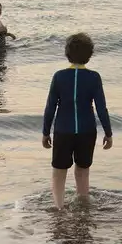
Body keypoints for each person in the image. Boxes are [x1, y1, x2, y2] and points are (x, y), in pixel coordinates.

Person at [41, 32, 113, 208]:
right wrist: (108, 133)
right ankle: (83, 205)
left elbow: (50, 107)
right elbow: (101, 108)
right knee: (82, 171)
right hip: (87, 131)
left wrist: (45, 132)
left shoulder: (59, 76)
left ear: (68, 54)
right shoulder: (94, 77)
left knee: (59, 172)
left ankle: (59, 208)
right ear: (89, 54)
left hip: (63, 131)